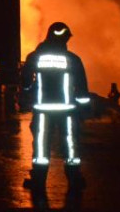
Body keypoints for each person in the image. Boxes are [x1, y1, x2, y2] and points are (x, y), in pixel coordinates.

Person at [20, 22, 91, 194]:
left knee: (41, 144)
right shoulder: (73, 59)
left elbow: (26, 84)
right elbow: (81, 89)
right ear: (65, 38)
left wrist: (29, 92)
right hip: (67, 110)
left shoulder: (35, 57)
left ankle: (38, 180)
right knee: (70, 144)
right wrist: (84, 109)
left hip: (43, 109)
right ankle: (74, 179)